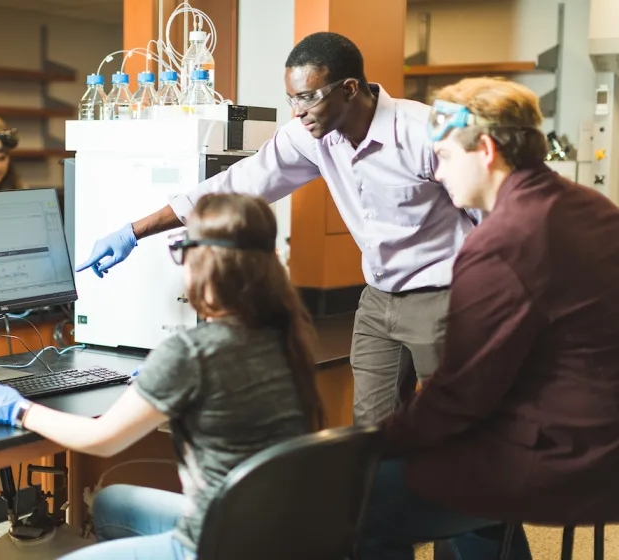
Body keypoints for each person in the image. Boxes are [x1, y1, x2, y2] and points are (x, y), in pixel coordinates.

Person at [76, 32, 480, 427]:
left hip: (443, 296)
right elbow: (231, 186)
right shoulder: (308, 137)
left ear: (350, 89)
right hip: (378, 299)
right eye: (292, 98)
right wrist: (133, 230)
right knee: (372, 434)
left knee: (461, 425)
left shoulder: (424, 130)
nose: (297, 111)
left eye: (308, 97)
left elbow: (492, 215)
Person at [358, 77, 619, 559]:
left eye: (445, 156)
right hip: (603, 434)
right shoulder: (593, 207)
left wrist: (374, 444)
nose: (437, 173)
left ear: (484, 149)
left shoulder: (502, 242)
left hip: (565, 453)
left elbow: (460, 397)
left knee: (359, 500)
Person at [0, 193, 323, 559]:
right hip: (277, 536)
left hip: (212, 544)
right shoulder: (285, 336)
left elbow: (101, 440)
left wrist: (19, 410)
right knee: (112, 503)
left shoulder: (191, 352)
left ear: (204, 261)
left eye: (183, 248)